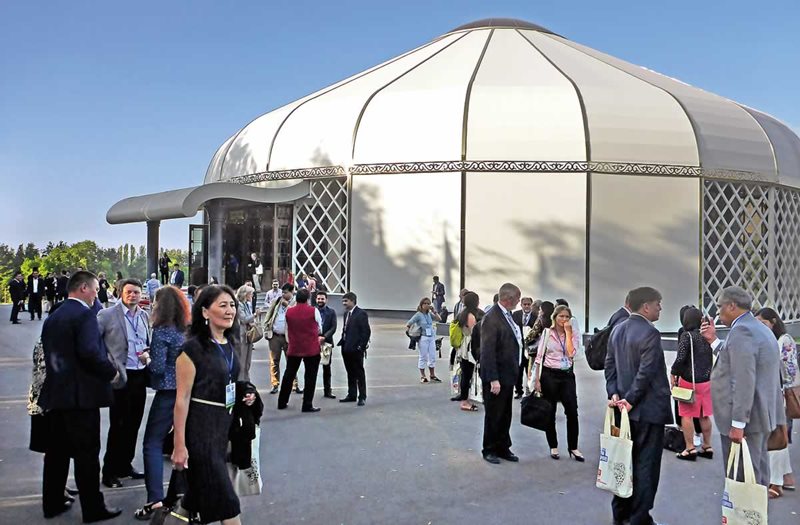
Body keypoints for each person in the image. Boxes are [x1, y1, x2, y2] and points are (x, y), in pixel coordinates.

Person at [38, 271, 121, 522]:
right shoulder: (84, 315)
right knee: (87, 456)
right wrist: (112, 372)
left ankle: (51, 502)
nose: (97, 293)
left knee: (56, 454)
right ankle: (93, 508)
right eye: (95, 289)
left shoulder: (56, 314)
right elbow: (90, 353)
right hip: (81, 397)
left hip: (56, 395)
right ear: (83, 288)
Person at [172, 285, 253, 524]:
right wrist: (179, 445)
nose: (230, 311)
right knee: (228, 503)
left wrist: (247, 394)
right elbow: (182, 399)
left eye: (232, 305)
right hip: (201, 430)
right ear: (205, 312)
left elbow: (231, 381)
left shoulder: (229, 344)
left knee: (195, 497)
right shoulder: (192, 349)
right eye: (223, 305)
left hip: (222, 428)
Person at [701, 285, 782, 487]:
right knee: (758, 474)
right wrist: (713, 341)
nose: (718, 313)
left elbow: (743, 379)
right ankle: (755, 516)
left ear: (731, 306)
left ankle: (745, 518)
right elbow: (738, 361)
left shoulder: (742, 331)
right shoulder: (759, 328)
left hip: (746, 420)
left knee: (742, 480)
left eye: (720, 307)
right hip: (760, 416)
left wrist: (738, 423)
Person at [605, 286, 672, 525]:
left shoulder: (617, 330)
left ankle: (620, 514)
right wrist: (631, 400)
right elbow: (646, 372)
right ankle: (639, 517)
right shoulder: (650, 333)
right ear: (646, 306)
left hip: (622, 410)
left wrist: (614, 394)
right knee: (646, 467)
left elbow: (609, 367)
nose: (660, 308)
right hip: (646, 410)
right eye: (658, 304)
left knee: (624, 463)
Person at [134, 285, 190, 520]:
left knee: (152, 443)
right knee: (184, 442)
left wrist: (147, 358)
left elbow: (157, 367)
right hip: (189, 390)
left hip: (168, 391)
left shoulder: (162, 331)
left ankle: (155, 499)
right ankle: (184, 494)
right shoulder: (186, 329)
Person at [98, 278, 151, 488]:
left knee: (134, 424)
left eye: (137, 292)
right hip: (120, 376)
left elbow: (146, 340)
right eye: (129, 292)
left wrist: (147, 353)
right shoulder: (107, 314)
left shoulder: (144, 315)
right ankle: (109, 471)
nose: (133, 296)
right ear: (121, 293)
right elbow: (94, 343)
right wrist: (108, 366)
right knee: (118, 425)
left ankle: (125, 465)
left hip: (139, 374)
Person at [755, 307, 798, 497]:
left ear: (773, 321)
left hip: (780, 394)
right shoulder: (773, 340)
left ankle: (776, 483)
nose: (761, 327)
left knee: (776, 436)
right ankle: (786, 477)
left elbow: (787, 370)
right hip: (775, 393)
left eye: (763, 323)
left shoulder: (783, 340)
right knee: (780, 436)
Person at [533, 304, 584, 461]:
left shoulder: (572, 333)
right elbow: (539, 357)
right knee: (550, 411)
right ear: (554, 317)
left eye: (567, 316)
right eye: (561, 316)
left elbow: (571, 353)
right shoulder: (548, 333)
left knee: (572, 412)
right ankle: (553, 446)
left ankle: (573, 447)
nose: (564, 319)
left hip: (567, 375)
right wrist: (536, 379)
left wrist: (568, 333)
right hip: (549, 374)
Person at [480, 283, 522, 465]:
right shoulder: (492, 318)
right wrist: (493, 379)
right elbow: (487, 351)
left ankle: (503, 446)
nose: (519, 302)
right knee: (494, 414)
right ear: (508, 299)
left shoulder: (507, 315)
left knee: (505, 414)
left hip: (508, 374)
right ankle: (489, 449)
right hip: (497, 377)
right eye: (518, 299)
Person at [670, 306, 714, 461]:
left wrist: (673, 373)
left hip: (690, 381)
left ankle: (689, 449)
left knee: (686, 415)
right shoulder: (707, 336)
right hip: (706, 381)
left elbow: (681, 358)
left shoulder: (686, 336)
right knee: (704, 415)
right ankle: (707, 446)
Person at [278, 288, 323, 412]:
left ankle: (282, 401)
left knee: (289, 374)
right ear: (308, 299)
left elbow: (286, 327)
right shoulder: (314, 311)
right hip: (311, 348)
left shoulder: (289, 311)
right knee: (310, 376)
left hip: (294, 347)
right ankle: (307, 404)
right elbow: (319, 328)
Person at [264, 283, 300, 394]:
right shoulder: (277, 301)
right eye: (282, 292)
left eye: (286, 292)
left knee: (292, 361)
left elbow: (297, 316)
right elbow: (269, 315)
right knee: (274, 361)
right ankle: (275, 384)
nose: (283, 295)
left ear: (292, 291)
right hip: (275, 336)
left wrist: (287, 306)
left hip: (289, 337)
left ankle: (295, 384)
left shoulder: (296, 303)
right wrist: (266, 329)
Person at [452, 291, 483, 411]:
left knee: (466, 373)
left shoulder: (463, 313)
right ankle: (465, 401)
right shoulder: (470, 315)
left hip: (464, 346)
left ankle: (466, 398)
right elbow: (473, 332)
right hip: (469, 347)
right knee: (467, 374)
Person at [338, 292, 370, 406]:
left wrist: (360, 346)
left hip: (356, 350)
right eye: (343, 301)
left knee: (359, 373)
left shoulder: (361, 314)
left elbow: (366, 332)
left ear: (352, 301)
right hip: (346, 348)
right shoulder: (347, 314)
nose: (344, 303)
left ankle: (362, 396)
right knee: (350, 373)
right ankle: (351, 394)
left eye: (346, 301)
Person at [407, 297, 443, 383]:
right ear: (421, 305)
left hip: (431, 337)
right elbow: (409, 323)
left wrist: (434, 311)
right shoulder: (418, 315)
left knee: (432, 356)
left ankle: (432, 375)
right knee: (423, 356)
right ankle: (423, 376)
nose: (427, 305)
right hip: (423, 337)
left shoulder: (429, 314)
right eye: (425, 303)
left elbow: (439, 319)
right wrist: (410, 334)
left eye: (428, 303)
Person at [234, 285, 259, 382]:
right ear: (245, 294)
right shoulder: (239, 305)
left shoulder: (247, 304)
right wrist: (255, 315)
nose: (252, 296)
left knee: (248, 361)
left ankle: (246, 379)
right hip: (242, 335)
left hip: (248, 334)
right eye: (250, 294)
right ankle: (241, 380)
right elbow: (243, 319)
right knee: (242, 360)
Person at [513, 297, 536, 399]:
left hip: (531, 348)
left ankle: (530, 391)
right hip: (518, 348)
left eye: (528, 304)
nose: (526, 306)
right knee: (518, 371)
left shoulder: (535, 317)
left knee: (530, 371)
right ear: (521, 305)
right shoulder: (515, 315)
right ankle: (518, 391)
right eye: (525, 304)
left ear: (531, 305)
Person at [316, 291, 338, 399]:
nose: (320, 300)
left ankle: (327, 391)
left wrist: (324, 337)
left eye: (322, 299)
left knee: (326, 367)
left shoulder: (331, 312)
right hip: (314, 343)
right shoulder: (313, 311)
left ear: (326, 300)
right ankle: (308, 391)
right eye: (318, 299)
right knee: (311, 368)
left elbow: (333, 327)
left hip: (326, 343)